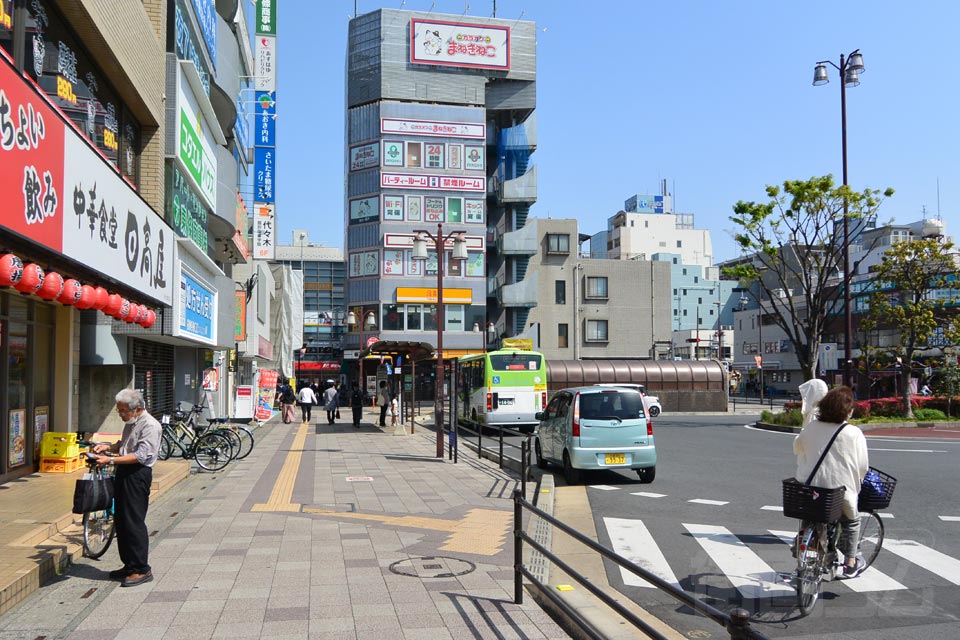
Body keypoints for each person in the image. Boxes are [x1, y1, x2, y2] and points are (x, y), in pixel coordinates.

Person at [793, 385, 869, 579]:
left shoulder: (811, 427)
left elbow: (798, 448)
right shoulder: (853, 433)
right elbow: (862, 467)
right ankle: (851, 562)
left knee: (811, 515)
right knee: (851, 521)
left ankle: (805, 544)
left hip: (812, 489)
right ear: (847, 411)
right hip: (840, 491)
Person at [91, 389, 162, 587]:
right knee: (121, 520)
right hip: (124, 472)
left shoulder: (150, 425)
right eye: (119, 410)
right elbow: (126, 445)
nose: (121, 414)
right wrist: (109, 448)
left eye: (123, 411)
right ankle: (129, 565)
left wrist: (110, 459)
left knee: (133, 521)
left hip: (137, 475)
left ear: (138, 409)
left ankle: (141, 568)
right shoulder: (132, 423)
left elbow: (140, 455)